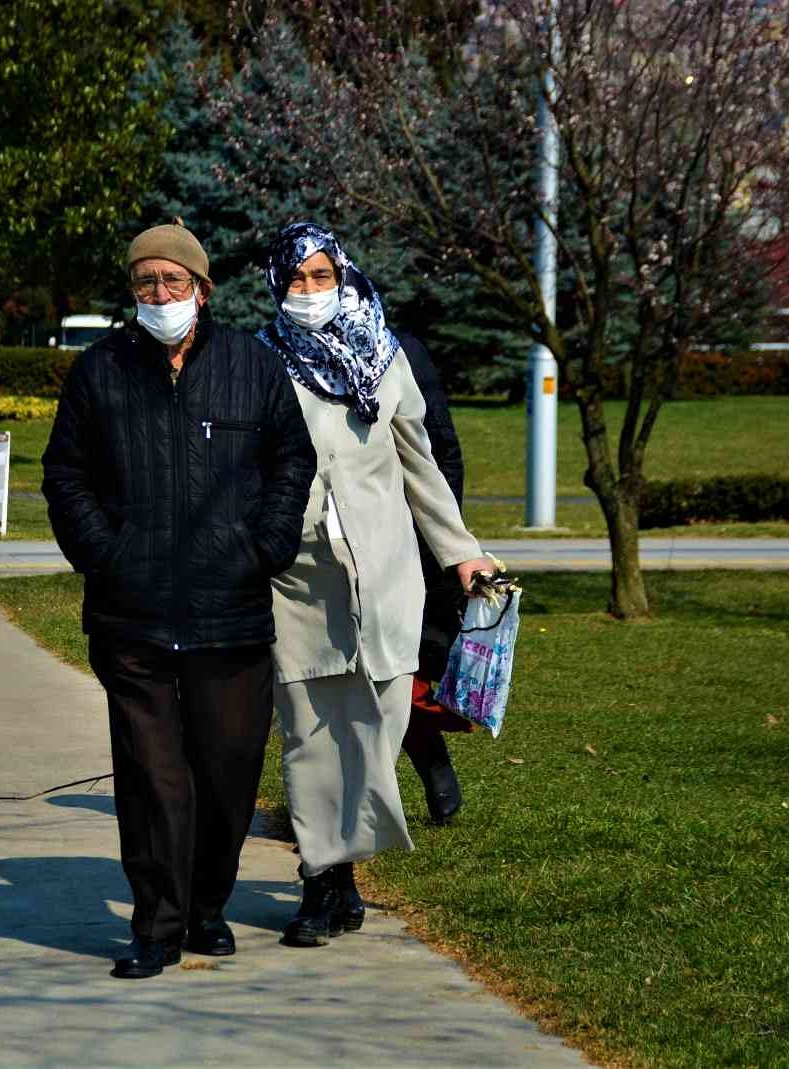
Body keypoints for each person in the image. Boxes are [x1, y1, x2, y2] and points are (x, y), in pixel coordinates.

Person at [41, 222, 316, 979]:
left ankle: (205, 906)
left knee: (227, 772)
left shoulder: (251, 367)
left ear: (202, 288)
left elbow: (293, 459)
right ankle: (157, 925)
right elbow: (65, 475)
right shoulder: (101, 371)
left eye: (173, 281)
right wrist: (106, 553)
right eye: (145, 282)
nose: (159, 295)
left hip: (230, 614)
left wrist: (262, 547)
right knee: (152, 775)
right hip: (133, 616)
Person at [257, 221, 493, 948]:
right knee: (307, 732)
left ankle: (343, 870)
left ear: (344, 276)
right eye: (295, 279)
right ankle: (323, 881)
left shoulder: (386, 359)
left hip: (383, 571)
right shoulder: (259, 362)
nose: (308, 292)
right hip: (296, 579)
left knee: (379, 724)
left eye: (321, 277)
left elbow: (422, 468)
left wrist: (463, 552)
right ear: (276, 284)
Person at [400, 336, 475, 826]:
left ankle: (431, 762)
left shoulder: (400, 352)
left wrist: (443, 547)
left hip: (405, 540)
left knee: (403, 675)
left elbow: (439, 450)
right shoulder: (280, 350)